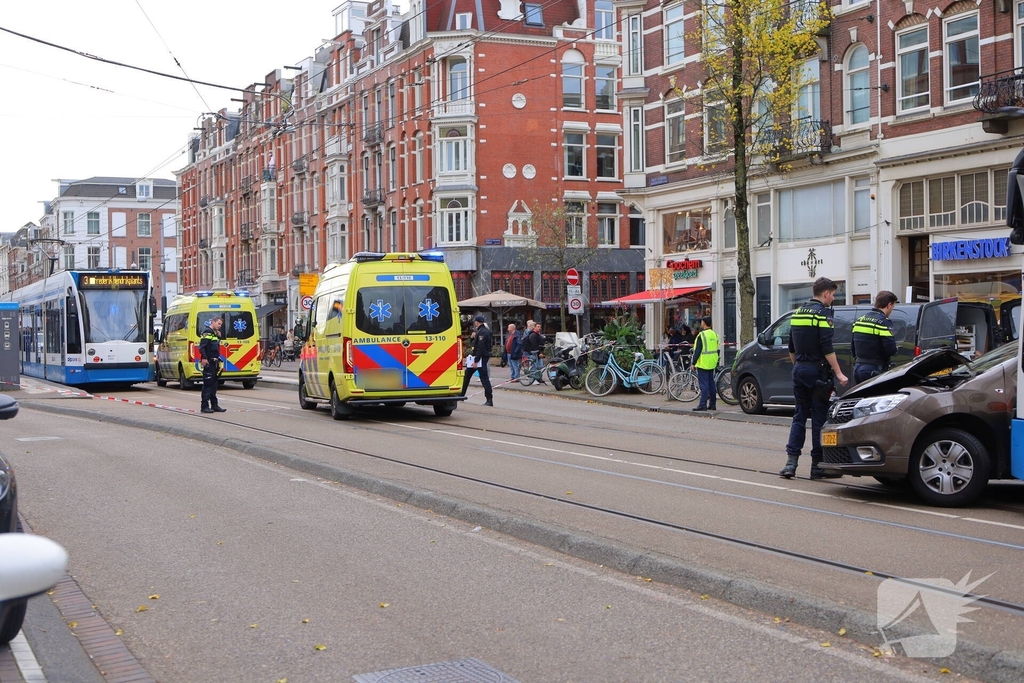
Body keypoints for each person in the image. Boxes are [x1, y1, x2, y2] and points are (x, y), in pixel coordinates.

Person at [780, 277, 849, 479]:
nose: (833, 299)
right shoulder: (823, 313)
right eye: (833, 295)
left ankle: (791, 464)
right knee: (819, 418)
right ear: (825, 294)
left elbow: (791, 347)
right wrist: (838, 372)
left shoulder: (797, 313)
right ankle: (818, 466)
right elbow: (827, 347)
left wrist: (799, 367)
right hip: (817, 372)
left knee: (799, 416)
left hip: (799, 370)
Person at [851, 291, 899, 385]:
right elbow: (890, 350)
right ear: (889, 305)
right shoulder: (883, 322)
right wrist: (896, 349)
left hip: (858, 368)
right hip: (874, 370)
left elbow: (853, 347)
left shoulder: (860, 320)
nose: (891, 310)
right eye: (893, 307)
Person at [462, 314, 494, 406]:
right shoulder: (480, 331)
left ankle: (489, 399)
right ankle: (461, 394)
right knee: (467, 375)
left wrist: (476, 360)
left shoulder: (483, 332)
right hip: (477, 357)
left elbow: (481, 347)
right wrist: (472, 338)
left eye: (475, 322)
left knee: (484, 378)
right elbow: (475, 345)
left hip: (480, 358)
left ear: (477, 322)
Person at [691, 316, 720, 412]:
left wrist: (693, 363)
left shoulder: (701, 335)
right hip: (712, 362)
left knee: (704, 385)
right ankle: (712, 404)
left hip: (703, 362)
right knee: (711, 383)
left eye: (702, 322)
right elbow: (717, 348)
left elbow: (698, 351)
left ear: (703, 323)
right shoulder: (715, 334)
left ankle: (702, 404)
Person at [199, 317, 227, 414]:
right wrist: (204, 358)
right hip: (209, 362)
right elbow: (202, 347)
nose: (220, 326)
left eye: (220, 324)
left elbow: (214, 346)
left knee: (214, 385)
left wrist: (218, 335)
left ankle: (214, 405)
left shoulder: (214, 333)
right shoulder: (207, 332)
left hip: (214, 362)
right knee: (208, 384)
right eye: (218, 324)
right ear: (213, 322)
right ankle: (204, 406)